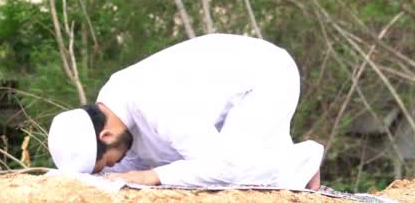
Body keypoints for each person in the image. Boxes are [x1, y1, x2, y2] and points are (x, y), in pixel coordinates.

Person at [47, 34, 323, 190]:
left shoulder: (157, 104)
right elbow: (138, 159)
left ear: (106, 134)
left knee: (235, 173)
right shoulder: (110, 106)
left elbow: (221, 167)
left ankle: (303, 161)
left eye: (107, 162)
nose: (113, 166)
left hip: (265, 77)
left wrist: (151, 177)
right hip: (226, 89)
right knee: (190, 169)